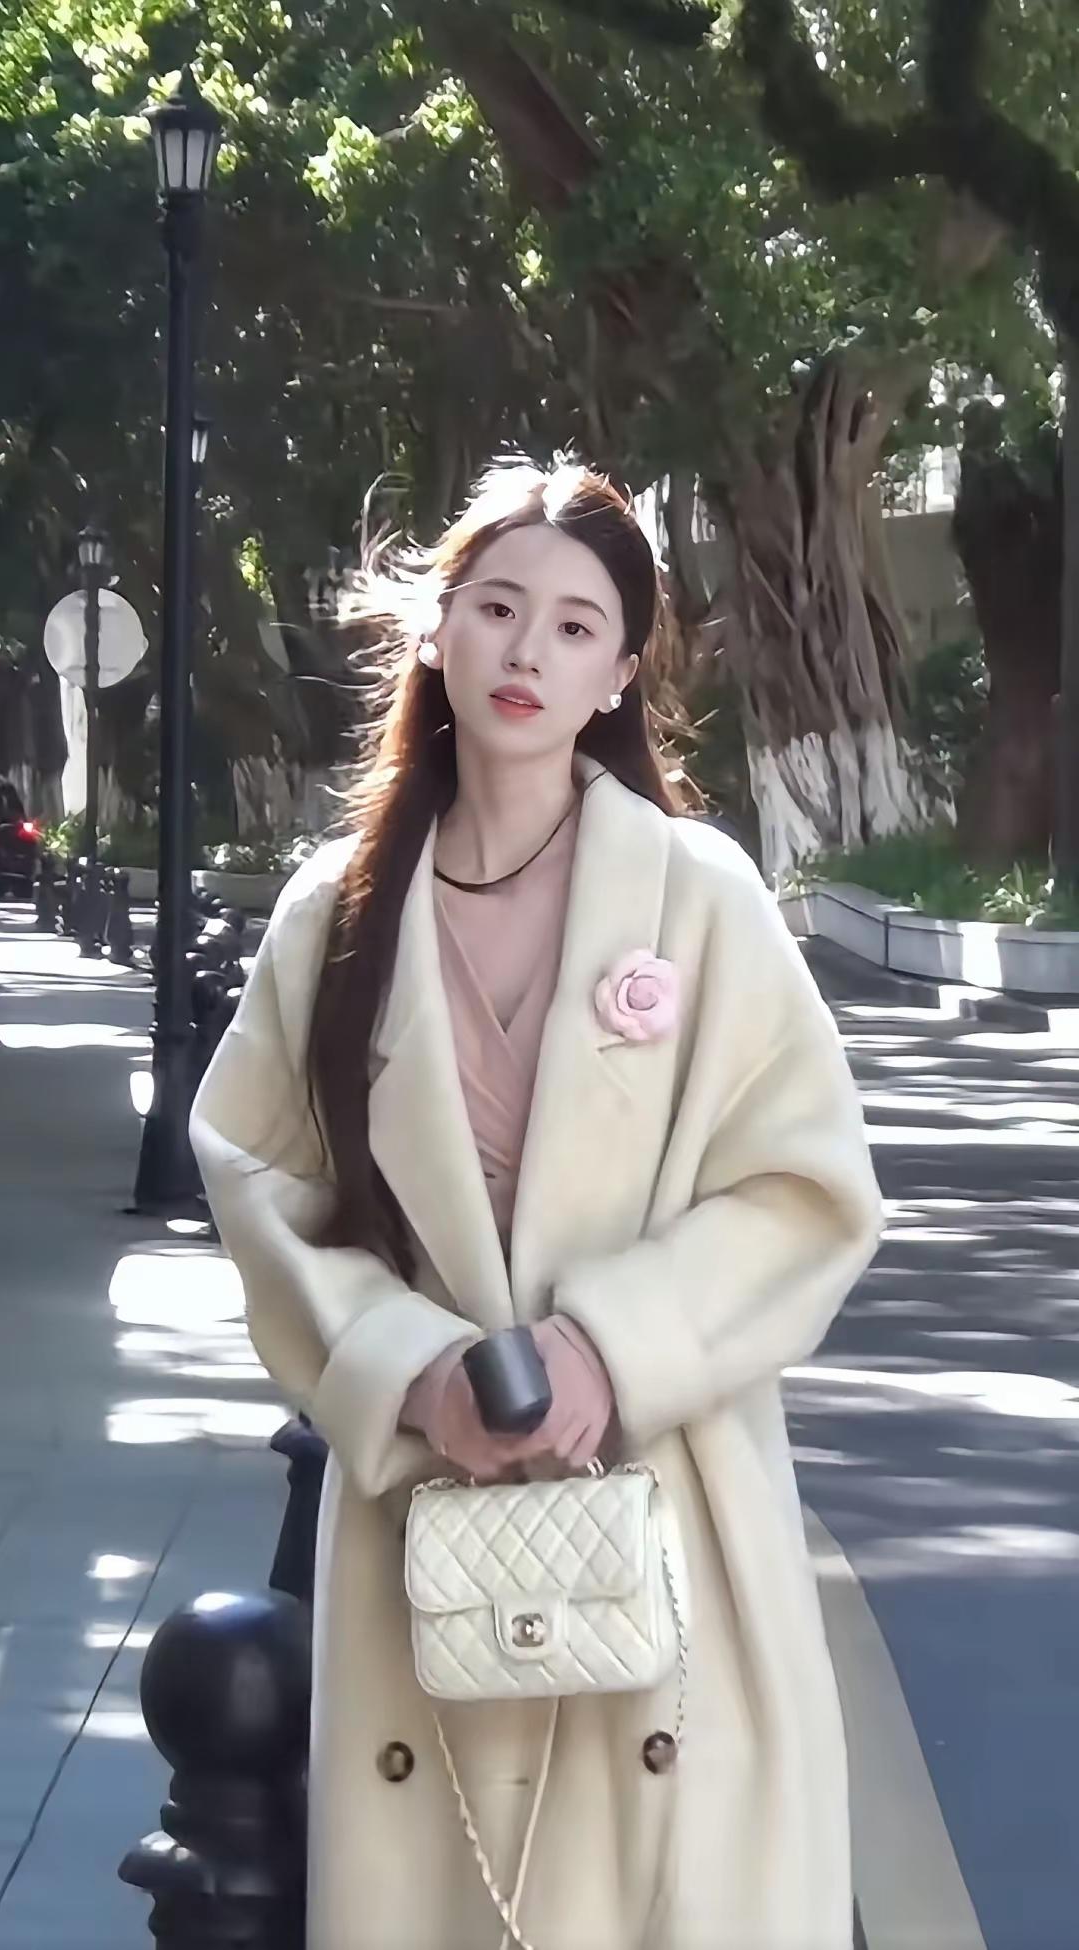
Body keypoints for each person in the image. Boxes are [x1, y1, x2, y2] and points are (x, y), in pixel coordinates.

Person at [190, 456, 883, 1950]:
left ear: (620, 672)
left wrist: (604, 1351)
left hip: (670, 1523)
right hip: (429, 1534)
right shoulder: (336, 913)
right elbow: (259, 1180)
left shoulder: (700, 897)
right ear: (438, 629)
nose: (528, 651)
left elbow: (809, 1185)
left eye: (576, 626)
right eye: (498, 607)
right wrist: (413, 1370)